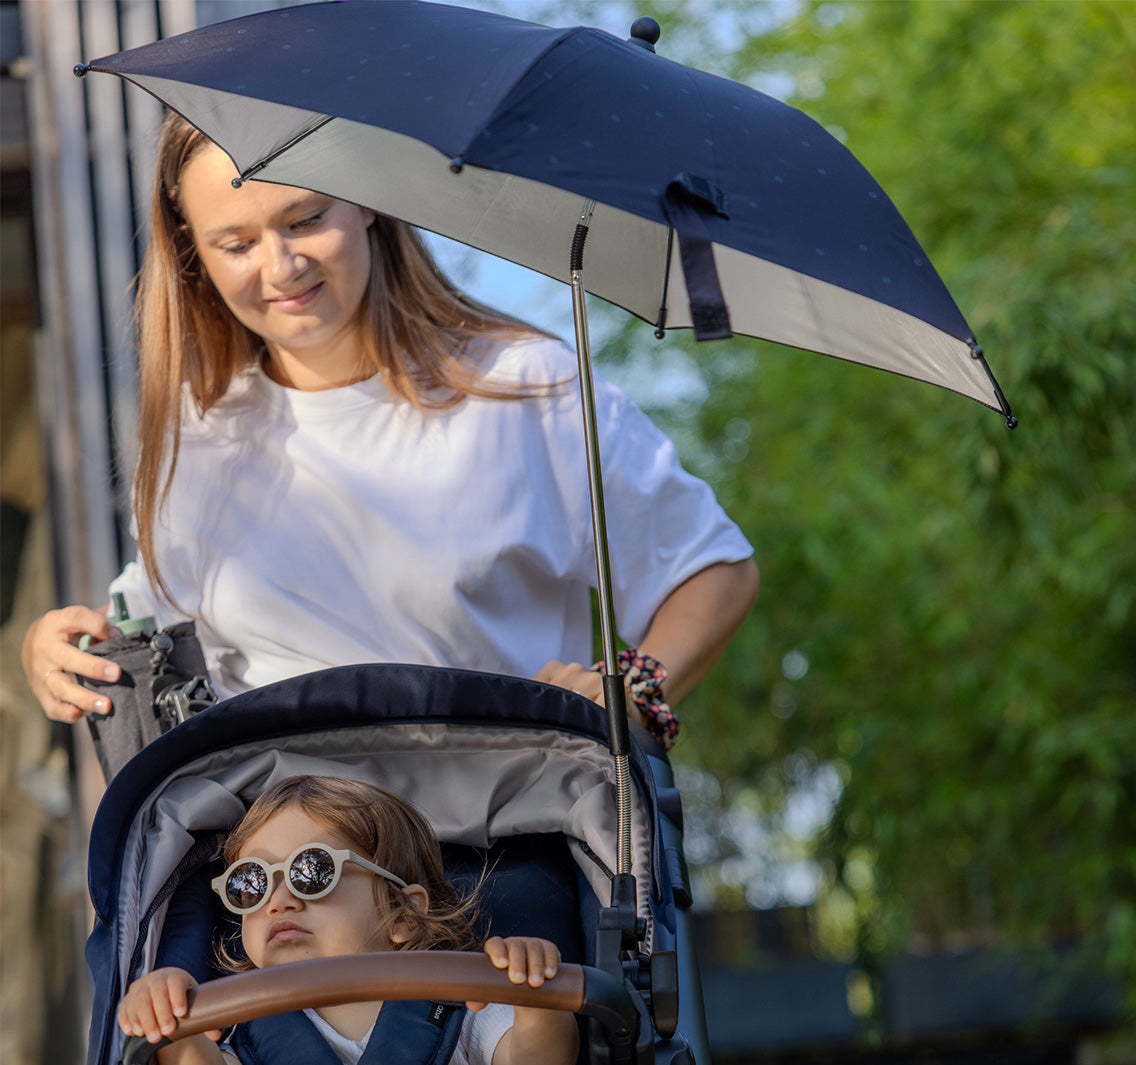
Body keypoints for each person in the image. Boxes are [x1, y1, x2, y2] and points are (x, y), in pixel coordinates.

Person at [21, 111, 758, 744]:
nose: (280, 267)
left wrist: (631, 696)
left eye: (306, 218)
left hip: (494, 853)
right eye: (236, 244)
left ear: (367, 199)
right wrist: (61, 646)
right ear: (192, 251)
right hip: (280, 872)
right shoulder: (202, 427)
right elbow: (148, 615)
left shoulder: (526, 387)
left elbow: (711, 570)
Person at [118, 774, 577, 1065]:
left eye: (312, 872)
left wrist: (534, 995)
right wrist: (173, 1021)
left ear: (402, 914)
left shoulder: (459, 995)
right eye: (251, 884)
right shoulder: (249, 1022)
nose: (279, 901)